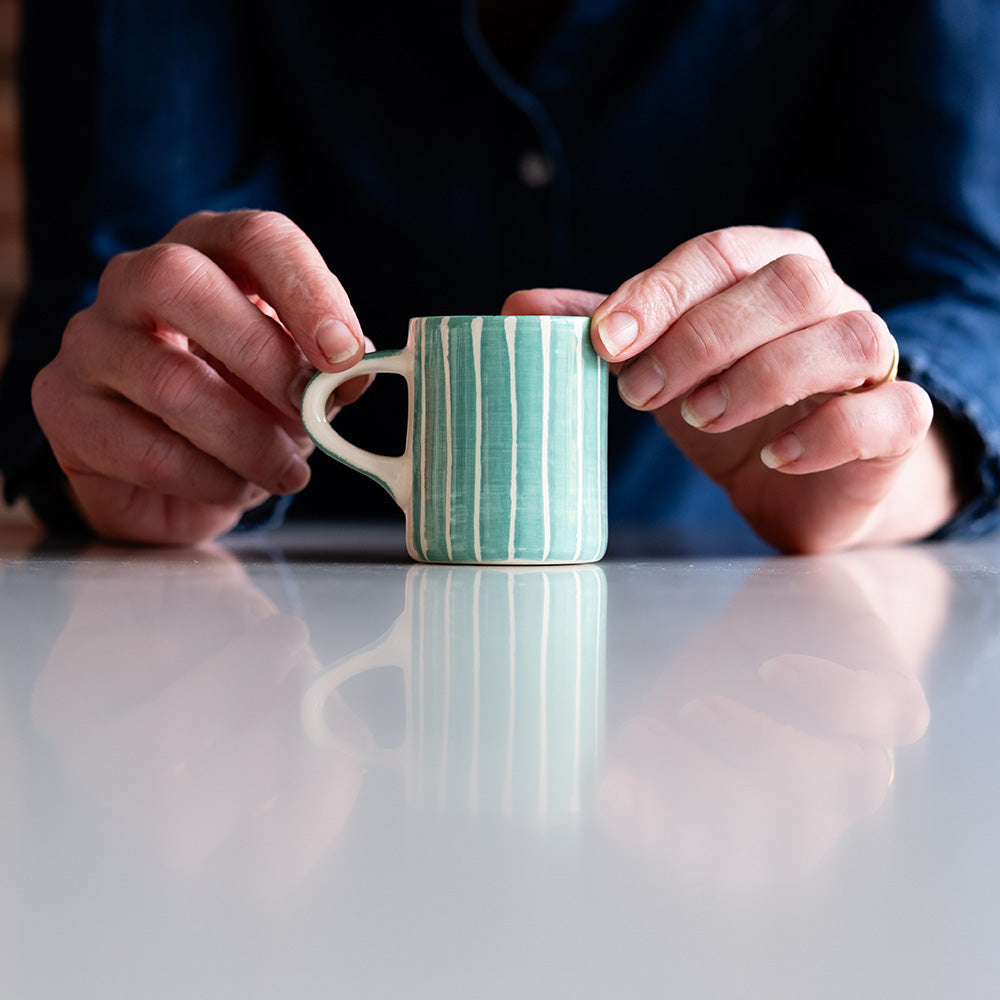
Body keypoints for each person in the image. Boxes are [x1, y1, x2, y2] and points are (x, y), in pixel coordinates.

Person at [2, 0, 999, 554]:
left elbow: (964, 280)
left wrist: (887, 464)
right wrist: (130, 441)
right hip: (275, 623)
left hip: (741, 616)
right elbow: (114, 284)